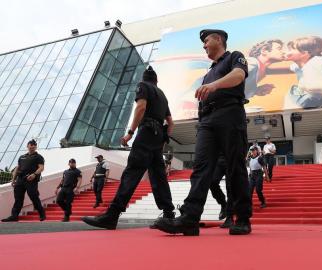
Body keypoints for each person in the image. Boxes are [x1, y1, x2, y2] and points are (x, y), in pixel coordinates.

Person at [155, 29, 252, 236]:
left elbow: (238, 75)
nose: (204, 45)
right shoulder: (208, 72)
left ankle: (242, 218)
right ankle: (190, 218)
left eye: (206, 40)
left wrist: (214, 85)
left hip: (230, 114)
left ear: (218, 39)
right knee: (200, 168)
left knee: (235, 166)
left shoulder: (235, 57)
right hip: (207, 121)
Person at [81, 66, 175, 230]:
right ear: (156, 81)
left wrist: (130, 133)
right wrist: (163, 139)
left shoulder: (143, 86)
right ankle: (168, 215)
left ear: (144, 78)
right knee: (159, 177)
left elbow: (141, 107)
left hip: (146, 132)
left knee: (132, 172)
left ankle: (112, 215)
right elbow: (171, 123)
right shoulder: (162, 95)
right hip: (158, 137)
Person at [1, 140, 46, 222]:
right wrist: (13, 179)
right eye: (31, 145)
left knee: (33, 196)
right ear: (27, 146)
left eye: (34, 145)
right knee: (18, 198)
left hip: (31, 179)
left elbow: (41, 167)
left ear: (36, 147)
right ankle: (14, 216)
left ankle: (42, 213)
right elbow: (17, 168)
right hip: (20, 180)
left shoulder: (38, 157)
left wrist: (34, 174)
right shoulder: (21, 157)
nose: (32, 146)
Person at [209, 153, 233, 228]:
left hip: (231, 159)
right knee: (212, 182)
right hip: (218, 159)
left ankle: (229, 217)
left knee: (230, 188)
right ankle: (223, 204)